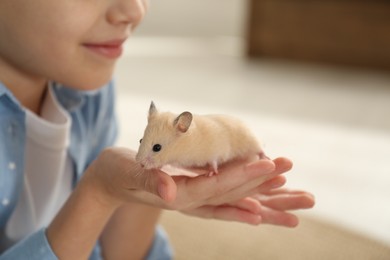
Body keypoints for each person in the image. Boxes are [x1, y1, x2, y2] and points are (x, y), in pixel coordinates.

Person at [0, 0, 315, 259]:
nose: (135, 10)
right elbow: (97, 198)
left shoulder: (90, 92)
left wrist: (143, 194)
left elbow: (115, 250)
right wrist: (96, 195)